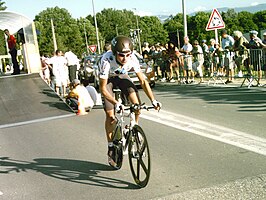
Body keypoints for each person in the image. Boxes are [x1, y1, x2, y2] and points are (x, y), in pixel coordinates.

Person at [98, 35, 161, 167]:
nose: (125, 58)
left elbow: (143, 81)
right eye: (121, 55)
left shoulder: (132, 59)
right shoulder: (106, 60)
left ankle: (133, 126)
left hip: (121, 76)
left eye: (128, 55)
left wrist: (153, 100)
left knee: (137, 104)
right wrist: (117, 103)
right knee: (111, 117)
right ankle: (111, 146)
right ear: (115, 53)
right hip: (108, 79)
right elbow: (103, 89)